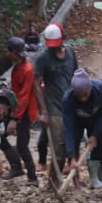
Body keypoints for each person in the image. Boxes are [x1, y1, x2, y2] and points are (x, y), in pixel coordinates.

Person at [32, 22, 78, 191]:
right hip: (53, 107)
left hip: (70, 105)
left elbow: (75, 76)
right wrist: (43, 111)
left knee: (69, 144)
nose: (53, 48)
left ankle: (62, 180)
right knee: (58, 146)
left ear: (63, 38)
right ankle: (53, 183)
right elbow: (36, 84)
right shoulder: (43, 57)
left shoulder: (71, 53)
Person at [62, 69, 102, 190]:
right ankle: (77, 187)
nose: (83, 99)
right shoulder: (67, 99)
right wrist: (72, 156)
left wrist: (94, 135)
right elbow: (68, 128)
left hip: (96, 120)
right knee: (72, 150)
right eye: (79, 96)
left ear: (90, 89)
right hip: (76, 122)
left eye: (85, 95)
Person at [0, 36, 40, 184]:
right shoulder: (16, 67)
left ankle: (32, 177)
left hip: (25, 112)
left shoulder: (27, 69)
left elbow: (23, 96)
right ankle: (16, 167)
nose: (7, 53)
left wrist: (14, 119)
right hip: (16, 109)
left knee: (23, 145)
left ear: (14, 52)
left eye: (8, 51)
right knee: (0, 137)